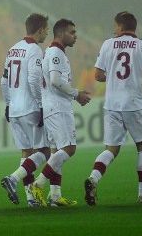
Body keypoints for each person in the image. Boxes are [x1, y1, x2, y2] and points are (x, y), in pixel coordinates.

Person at [84, 11, 142, 205]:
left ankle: (93, 178)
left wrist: (113, 76)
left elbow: (97, 75)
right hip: (133, 103)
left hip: (112, 104)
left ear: (121, 27)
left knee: (112, 148)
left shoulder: (107, 44)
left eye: (115, 26)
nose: (114, 30)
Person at [29, 18, 91, 207]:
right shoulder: (56, 53)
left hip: (51, 107)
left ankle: (55, 196)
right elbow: (55, 80)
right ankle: (37, 184)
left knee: (56, 151)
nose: (75, 36)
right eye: (72, 32)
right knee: (69, 149)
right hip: (58, 107)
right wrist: (76, 94)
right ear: (61, 33)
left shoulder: (51, 51)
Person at [0, 13, 51, 207]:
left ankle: (31, 199)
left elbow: (4, 80)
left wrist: (7, 103)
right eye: (46, 29)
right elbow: (33, 79)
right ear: (39, 30)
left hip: (14, 109)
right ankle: (12, 179)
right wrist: (40, 104)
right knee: (45, 151)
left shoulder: (13, 49)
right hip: (30, 107)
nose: (47, 33)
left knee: (26, 153)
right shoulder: (35, 49)